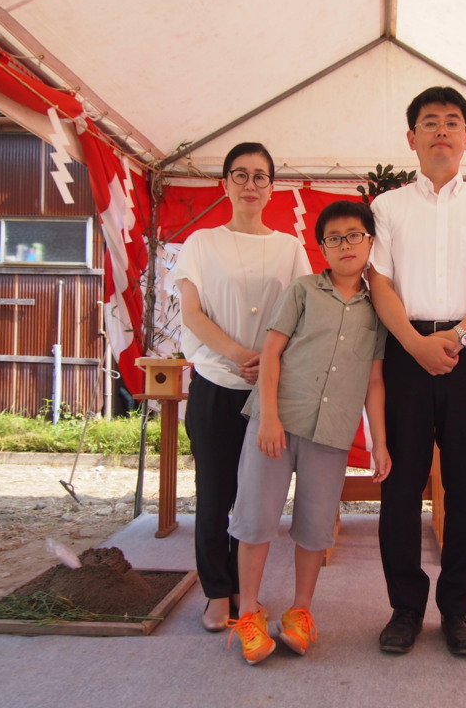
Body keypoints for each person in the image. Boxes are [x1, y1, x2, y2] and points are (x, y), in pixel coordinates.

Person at [368, 86, 466, 656]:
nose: (442, 130)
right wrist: (414, 343)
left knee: (464, 486)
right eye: (430, 122)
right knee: (400, 486)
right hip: (406, 352)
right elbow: (378, 282)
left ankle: (459, 611)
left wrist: (458, 337)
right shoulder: (387, 208)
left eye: (452, 122)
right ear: (410, 138)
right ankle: (405, 609)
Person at [226, 200, 391, 665]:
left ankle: (301, 612)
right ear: (321, 247)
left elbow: (374, 380)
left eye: (354, 235)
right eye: (334, 238)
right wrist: (271, 418)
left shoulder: (379, 308)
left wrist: (379, 442)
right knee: (256, 519)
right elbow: (272, 352)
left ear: (370, 241)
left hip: (333, 431)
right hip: (276, 422)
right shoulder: (302, 290)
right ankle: (250, 613)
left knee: (316, 527)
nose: (345, 245)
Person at [174, 142, 311, 633]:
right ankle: (217, 592)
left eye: (260, 176)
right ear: (225, 184)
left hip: (269, 392)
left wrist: (271, 364)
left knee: (255, 498)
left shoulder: (289, 247)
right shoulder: (200, 244)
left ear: (272, 187)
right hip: (216, 382)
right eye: (240, 175)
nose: (250, 184)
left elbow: (302, 314)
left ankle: (245, 591)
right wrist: (238, 355)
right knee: (214, 493)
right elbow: (192, 314)